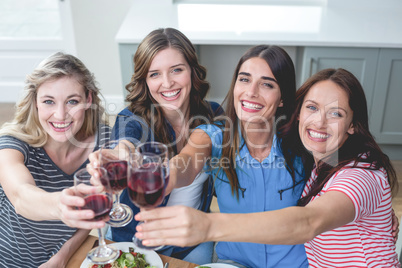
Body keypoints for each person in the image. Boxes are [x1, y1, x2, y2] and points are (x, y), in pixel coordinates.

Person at [135, 68, 401, 267]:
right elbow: (187, 162)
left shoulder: (356, 174)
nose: (319, 122)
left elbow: (309, 221)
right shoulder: (322, 158)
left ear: (354, 124)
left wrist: (208, 226)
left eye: (336, 113)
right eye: (312, 108)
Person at [136, 44, 309, 267]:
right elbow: (187, 162)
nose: (251, 92)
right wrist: (166, 175)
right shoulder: (214, 135)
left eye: (266, 84)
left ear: (283, 98)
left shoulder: (302, 144)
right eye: (244, 79)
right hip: (234, 264)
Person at [89, 27, 222, 264]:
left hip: (192, 242)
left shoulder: (213, 114)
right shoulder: (131, 118)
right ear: (145, 80)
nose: (167, 83)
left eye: (176, 70)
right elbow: (125, 144)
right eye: (155, 74)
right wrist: (118, 154)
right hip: (139, 242)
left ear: (192, 70)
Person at [0, 52, 110, 267]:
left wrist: (62, 257)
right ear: (35, 102)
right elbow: (21, 196)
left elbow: (91, 214)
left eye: (72, 101)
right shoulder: (12, 143)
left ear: (88, 100)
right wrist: (60, 205)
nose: (60, 115)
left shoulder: (104, 144)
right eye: (49, 101)